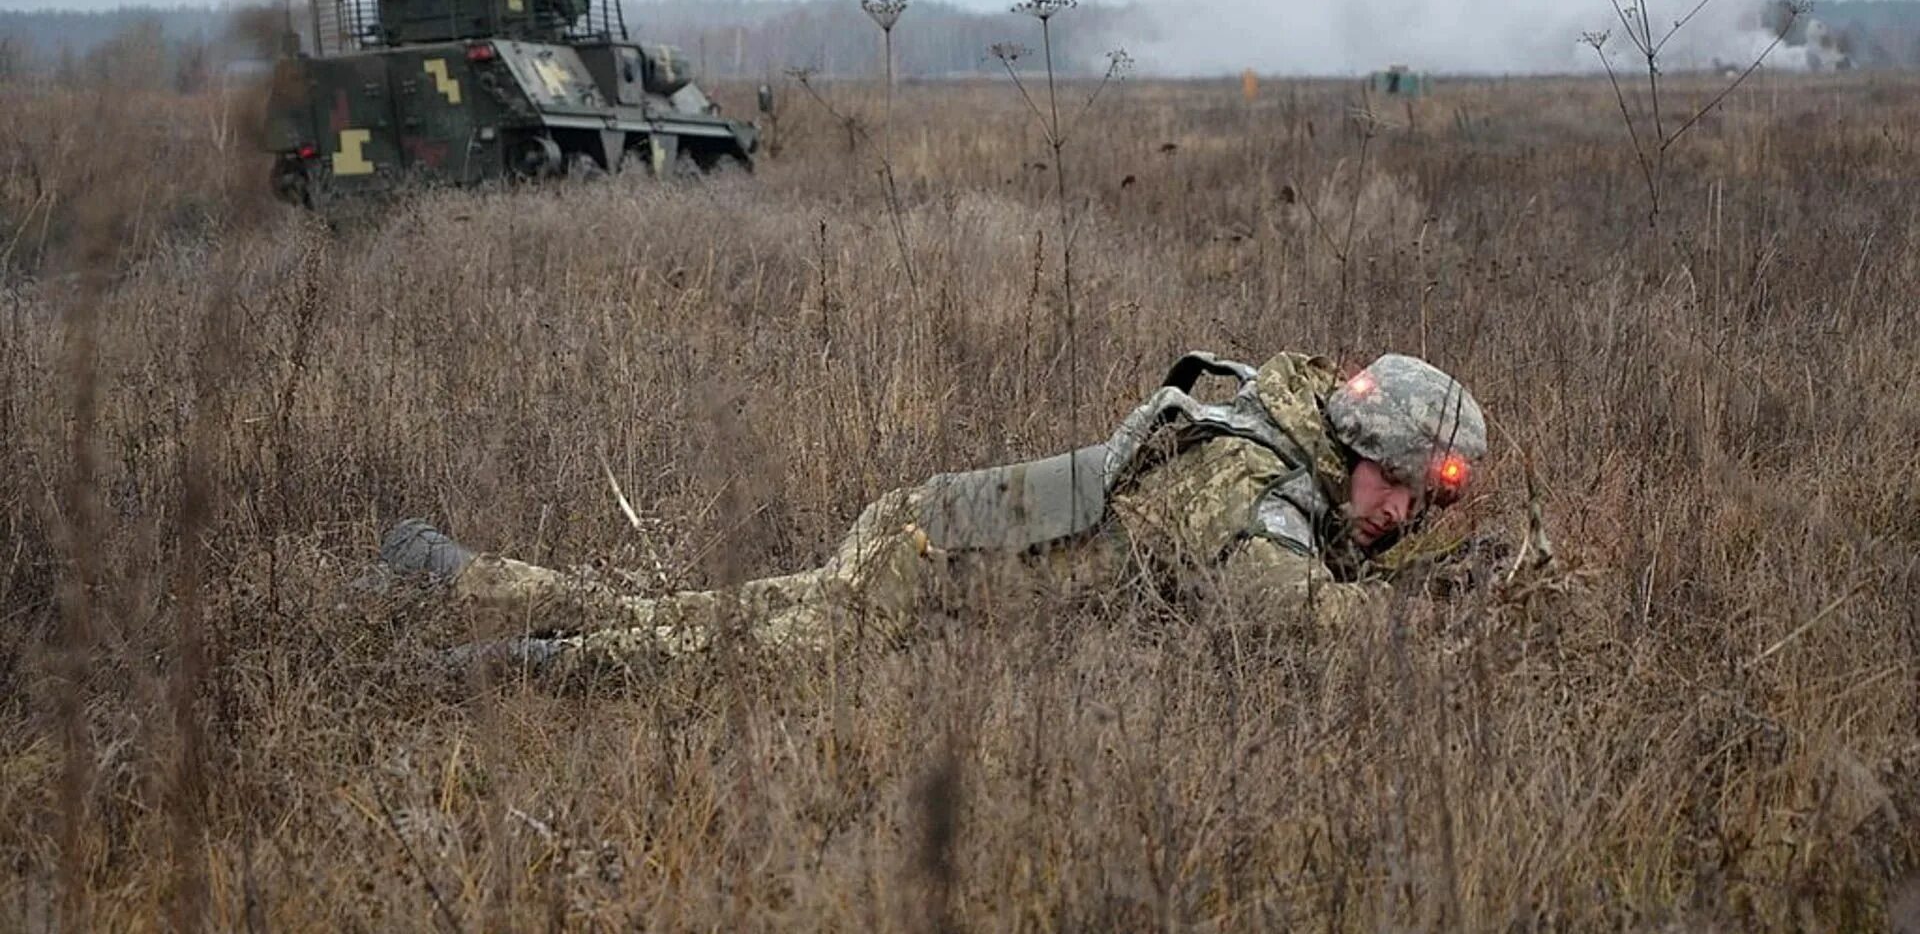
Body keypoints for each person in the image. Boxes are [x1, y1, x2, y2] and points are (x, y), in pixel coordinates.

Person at [375, 350, 1488, 681]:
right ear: (1365, 450)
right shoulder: (1252, 488)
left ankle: (441, 570)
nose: (1398, 514)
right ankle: (478, 668)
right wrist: (1430, 626)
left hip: (942, 543)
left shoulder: (1281, 433)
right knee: (697, 648)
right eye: (1401, 487)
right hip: (931, 578)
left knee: (698, 614)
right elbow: (1281, 605)